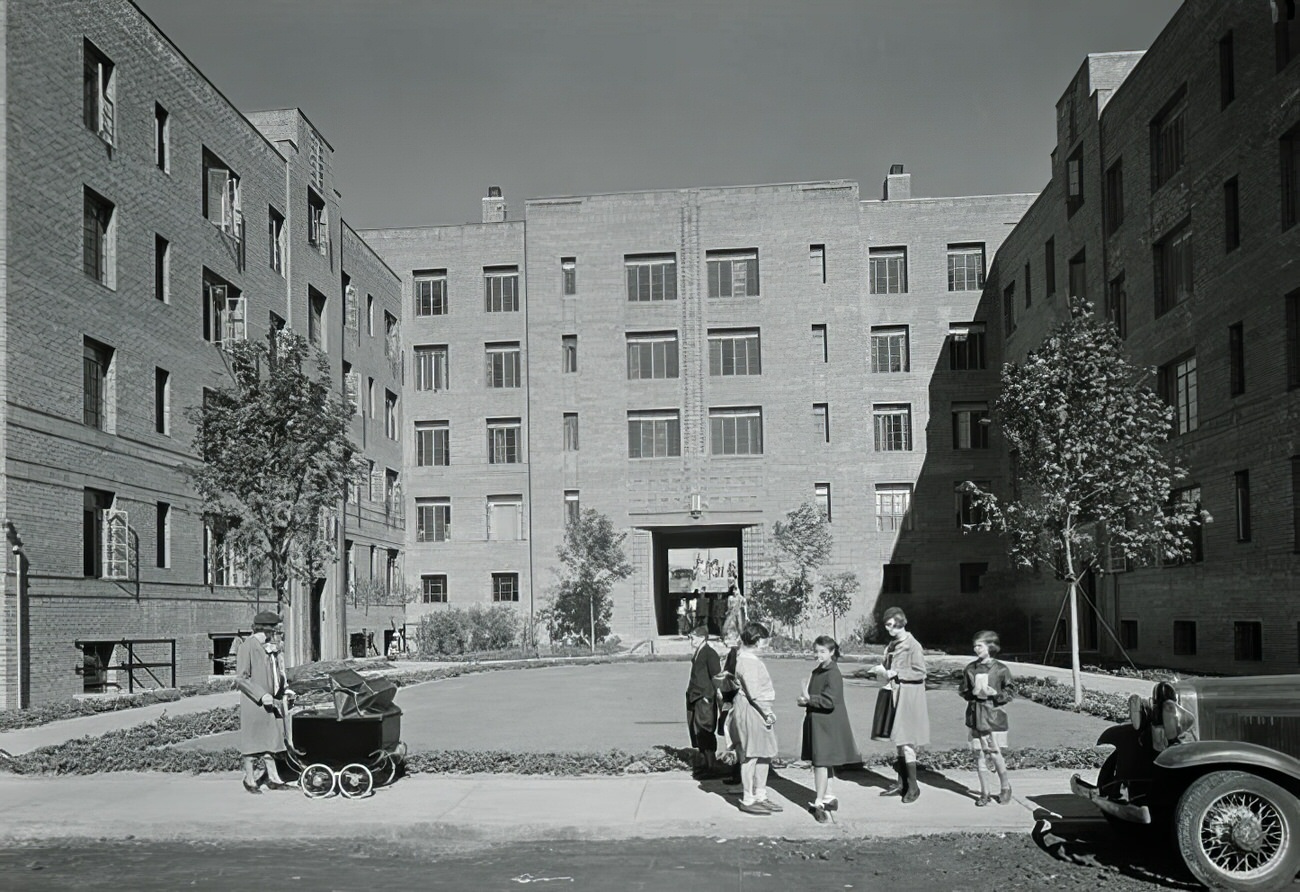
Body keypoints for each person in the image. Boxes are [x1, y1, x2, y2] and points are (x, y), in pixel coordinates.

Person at [797, 635, 859, 822]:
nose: (818, 655)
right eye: (816, 651)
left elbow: (830, 701)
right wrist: (805, 701)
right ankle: (829, 797)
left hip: (827, 725)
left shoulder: (833, 673)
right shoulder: (818, 672)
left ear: (832, 652)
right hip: (818, 722)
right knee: (824, 761)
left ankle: (819, 803)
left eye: (823, 651)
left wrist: (809, 700)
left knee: (821, 763)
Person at [872, 606, 929, 803]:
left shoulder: (913, 645)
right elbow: (889, 667)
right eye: (886, 625)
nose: (889, 629)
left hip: (909, 697)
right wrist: (882, 670)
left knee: (907, 743)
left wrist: (898, 674)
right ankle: (901, 784)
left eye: (891, 625)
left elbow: (921, 673)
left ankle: (913, 787)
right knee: (898, 742)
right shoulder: (892, 644)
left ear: (900, 622)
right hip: (894, 695)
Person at [235, 611, 296, 793]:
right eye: (268, 633)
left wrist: (284, 689)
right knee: (253, 742)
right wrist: (261, 695)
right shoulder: (247, 647)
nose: (269, 637)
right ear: (261, 630)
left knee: (271, 740)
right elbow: (241, 678)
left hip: (271, 700)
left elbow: (276, 674)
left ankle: (273, 777)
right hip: (254, 701)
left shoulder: (269, 648)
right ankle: (250, 779)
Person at [730, 621, 782, 815]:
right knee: (751, 755)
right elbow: (754, 694)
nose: (766, 644)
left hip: (755, 709)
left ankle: (760, 794)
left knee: (764, 753)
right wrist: (767, 712)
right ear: (758, 640)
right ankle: (748, 798)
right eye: (764, 640)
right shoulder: (748, 661)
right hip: (753, 710)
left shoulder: (745, 657)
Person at [960, 630, 1014, 806]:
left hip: (993, 716)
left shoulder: (1000, 669)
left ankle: (1005, 787)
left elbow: (1010, 691)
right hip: (975, 715)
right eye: (974, 645)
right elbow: (963, 689)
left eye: (980, 645)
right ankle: (985, 792)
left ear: (991, 647)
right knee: (979, 754)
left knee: (995, 752)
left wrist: (996, 694)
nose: (976, 649)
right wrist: (971, 693)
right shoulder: (970, 668)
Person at [685, 625, 723, 777]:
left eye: (693, 637)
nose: (691, 641)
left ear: (702, 637)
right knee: (697, 731)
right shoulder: (699, 652)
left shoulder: (710, 653)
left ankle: (711, 766)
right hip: (696, 696)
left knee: (705, 730)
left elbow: (716, 676)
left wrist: (716, 696)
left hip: (705, 697)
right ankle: (705, 763)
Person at [713, 629, 743, 785]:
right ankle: (736, 772)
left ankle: (737, 774)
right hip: (729, 698)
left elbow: (733, 676)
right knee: (734, 738)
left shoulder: (736, 654)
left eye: (728, 637)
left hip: (732, 700)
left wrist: (724, 677)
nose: (725, 640)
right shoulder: (732, 653)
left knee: (735, 739)